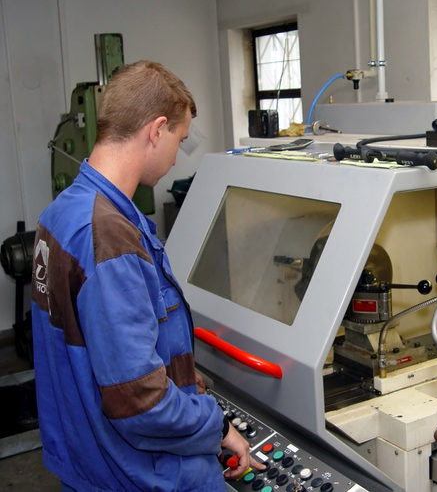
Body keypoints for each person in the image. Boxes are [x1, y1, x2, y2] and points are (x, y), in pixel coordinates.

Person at [31, 60, 264, 491]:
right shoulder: (109, 237)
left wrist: (188, 385)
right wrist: (215, 426)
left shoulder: (61, 212)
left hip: (89, 465)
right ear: (156, 130)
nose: (176, 156)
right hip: (141, 474)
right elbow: (140, 401)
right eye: (179, 139)